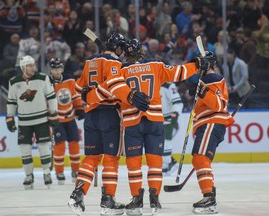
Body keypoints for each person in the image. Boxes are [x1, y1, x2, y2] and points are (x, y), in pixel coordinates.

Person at [84, 38, 204, 216]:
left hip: (132, 124)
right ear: (141, 50)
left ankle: (137, 201)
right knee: (155, 164)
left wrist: (88, 96)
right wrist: (198, 64)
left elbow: (108, 93)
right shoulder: (156, 65)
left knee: (134, 165)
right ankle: (154, 199)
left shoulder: (120, 70)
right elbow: (179, 72)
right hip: (155, 120)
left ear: (125, 52)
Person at [67, 32, 149, 216]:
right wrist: (131, 96)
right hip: (109, 114)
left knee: (91, 158)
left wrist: (90, 94)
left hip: (90, 115)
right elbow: (115, 85)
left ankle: (77, 194)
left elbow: (79, 89)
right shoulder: (115, 63)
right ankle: (108, 201)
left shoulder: (89, 62)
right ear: (118, 48)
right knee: (111, 158)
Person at [188, 51, 235, 214]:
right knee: (199, 158)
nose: (198, 66)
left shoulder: (213, 79)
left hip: (212, 122)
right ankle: (209, 193)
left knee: (200, 157)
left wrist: (201, 91)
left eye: (201, 63)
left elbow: (217, 105)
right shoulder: (205, 80)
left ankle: (209, 198)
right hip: (207, 123)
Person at [6, 55, 59, 190]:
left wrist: (53, 113)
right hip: (24, 121)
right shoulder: (14, 82)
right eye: (29, 65)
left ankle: (47, 173)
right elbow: (11, 101)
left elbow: (51, 97)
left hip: (41, 119)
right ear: (23, 67)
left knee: (43, 146)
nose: (32, 67)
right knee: (24, 149)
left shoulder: (42, 78)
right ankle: (29, 175)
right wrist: (10, 117)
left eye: (33, 65)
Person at [49, 58, 84, 185]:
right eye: (54, 69)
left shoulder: (69, 79)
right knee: (59, 146)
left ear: (62, 69)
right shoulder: (47, 82)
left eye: (58, 68)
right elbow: (46, 101)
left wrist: (79, 108)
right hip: (56, 120)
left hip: (70, 118)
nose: (57, 71)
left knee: (74, 144)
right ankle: (59, 172)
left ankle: (76, 171)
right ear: (51, 70)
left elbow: (75, 96)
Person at [160, 82, 183, 173]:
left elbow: (178, 102)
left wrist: (176, 112)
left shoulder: (168, 86)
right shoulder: (150, 84)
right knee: (157, 144)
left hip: (169, 121)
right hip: (156, 120)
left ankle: (167, 164)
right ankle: (171, 162)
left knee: (165, 142)